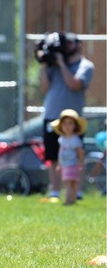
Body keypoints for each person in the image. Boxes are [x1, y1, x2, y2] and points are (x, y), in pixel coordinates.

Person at [39, 32, 94, 200]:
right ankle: (55, 192)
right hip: (52, 116)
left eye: (69, 43)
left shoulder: (86, 65)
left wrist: (62, 63)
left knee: (76, 154)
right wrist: (44, 62)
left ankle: (76, 191)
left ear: (79, 45)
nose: (66, 47)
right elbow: (44, 87)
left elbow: (74, 84)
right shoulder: (53, 65)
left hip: (73, 119)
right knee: (53, 156)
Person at [50, 109, 87, 205]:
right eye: (65, 123)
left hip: (73, 164)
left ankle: (69, 200)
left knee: (71, 182)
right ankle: (71, 199)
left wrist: (80, 162)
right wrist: (59, 164)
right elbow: (60, 152)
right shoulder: (62, 139)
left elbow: (80, 151)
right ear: (61, 126)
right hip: (65, 164)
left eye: (70, 123)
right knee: (68, 182)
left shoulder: (75, 139)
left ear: (75, 126)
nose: (67, 126)